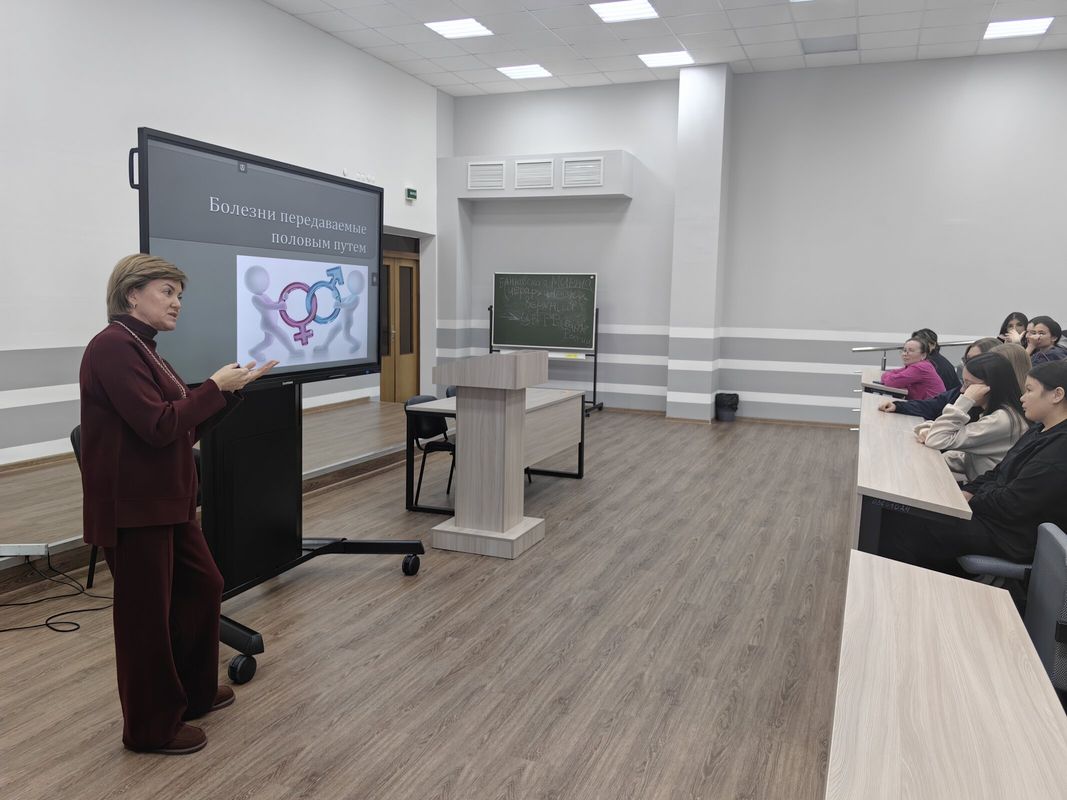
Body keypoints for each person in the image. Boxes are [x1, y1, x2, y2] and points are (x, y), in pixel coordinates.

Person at [79, 254, 277, 755]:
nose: (177, 304)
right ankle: (149, 727)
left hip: (168, 501)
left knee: (203, 585)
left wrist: (229, 393)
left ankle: (192, 693)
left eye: (179, 295)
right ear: (132, 294)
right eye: (167, 292)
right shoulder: (112, 347)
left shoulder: (144, 349)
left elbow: (181, 426)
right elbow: (158, 425)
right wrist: (213, 388)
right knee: (146, 617)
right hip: (134, 508)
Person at [879, 361, 1067, 575]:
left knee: (903, 524)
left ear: (1057, 395)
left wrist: (969, 500)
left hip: (1009, 535)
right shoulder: (1040, 429)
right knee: (902, 513)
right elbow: (998, 471)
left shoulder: (1060, 449)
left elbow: (1014, 503)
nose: (1023, 397)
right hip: (993, 516)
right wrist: (969, 491)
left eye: (1030, 390)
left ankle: (902, 585)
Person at [913, 353, 1027, 481]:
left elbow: (937, 438)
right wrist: (932, 435)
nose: (962, 390)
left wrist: (966, 400)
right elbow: (972, 455)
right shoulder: (995, 412)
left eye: (968, 385)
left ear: (989, 387)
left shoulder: (1001, 419)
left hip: (983, 489)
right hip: (980, 485)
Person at [878, 338, 999, 419]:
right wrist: (898, 406)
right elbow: (934, 404)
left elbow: (891, 380)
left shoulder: (995, 414)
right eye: (967, 359)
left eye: (910, 351)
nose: (905, 354)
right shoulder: (958, 391)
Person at [880, 337, 946, 400]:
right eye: (904, 350)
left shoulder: (920, 367)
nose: (905, 354)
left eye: (910, 351)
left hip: (931, 407)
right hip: (925, 404)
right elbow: (894, 373)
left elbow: (891, 382)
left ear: (923, 355)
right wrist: (888, 376)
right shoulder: (918, 365)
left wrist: (886, 376)